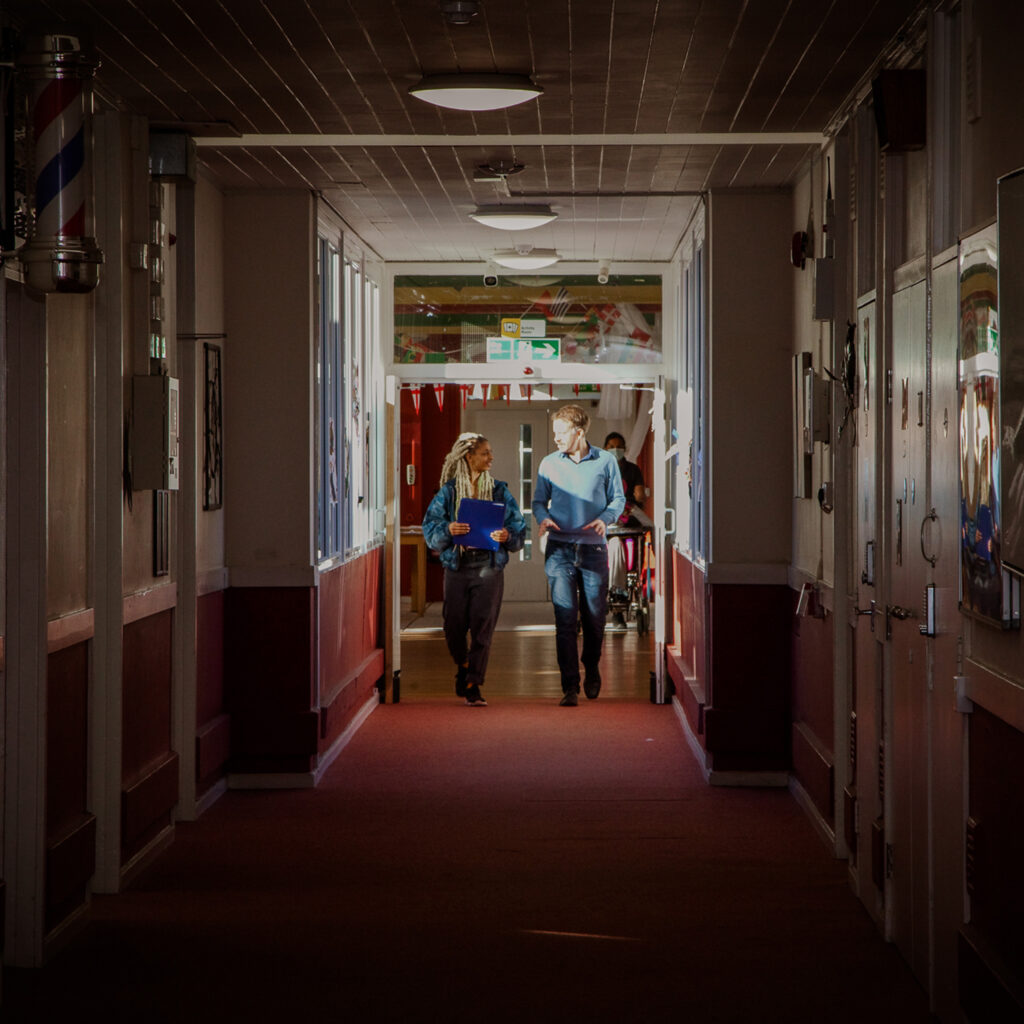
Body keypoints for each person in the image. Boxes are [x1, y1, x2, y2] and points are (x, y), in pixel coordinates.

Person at [422, 432, 526, 706]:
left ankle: (473, 684)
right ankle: (465, 664)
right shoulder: (449, 491)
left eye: (490, 452)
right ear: (469, 457)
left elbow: (519, 527)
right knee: (453, 625)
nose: (491, 457)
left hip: (489, 566)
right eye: (485, 453)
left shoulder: (499, 491)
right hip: (458, 566)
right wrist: (448, 529)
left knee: (482, 627)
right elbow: (430, 529)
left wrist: (507, 535)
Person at [532, 405, 625, 706]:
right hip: (559, 548)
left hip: (594, 549)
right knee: (565, 616)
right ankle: (570, 685)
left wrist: (607, 517)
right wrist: (542, 518)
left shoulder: (606, 461)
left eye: (561, 433)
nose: (556, 438)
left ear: (579, 432)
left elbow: (618, 499)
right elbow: (538, 502)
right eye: (555, 432)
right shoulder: (548, 463)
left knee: (595, 616)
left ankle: (592, 665)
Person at [603, 432, 653, 631]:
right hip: (605, 522)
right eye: (612, 445)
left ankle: (619, 603)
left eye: (619, 446)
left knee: (650, 527)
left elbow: (640, 494)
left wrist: (637, 497)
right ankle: (614, 604)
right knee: (614, 545)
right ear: (605, 448)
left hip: (628, 518)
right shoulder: (600, 469)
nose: (616, 449)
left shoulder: (632, 470)